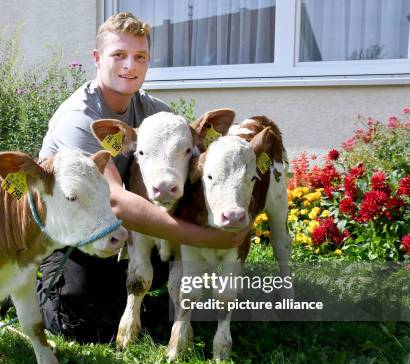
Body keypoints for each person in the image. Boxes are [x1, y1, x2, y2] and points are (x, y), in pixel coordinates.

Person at [35, 12, 249, 343]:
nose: (129, 66)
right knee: (85, 325)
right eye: (118, 55)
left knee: (150, 284)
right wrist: (206, 238)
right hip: (70, 235)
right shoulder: (80, 118)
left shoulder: (153, 112)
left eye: (140, 57)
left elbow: (189, 157)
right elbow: (116, 200)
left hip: (122, 233)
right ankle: (26, 290)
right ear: (96, 58)